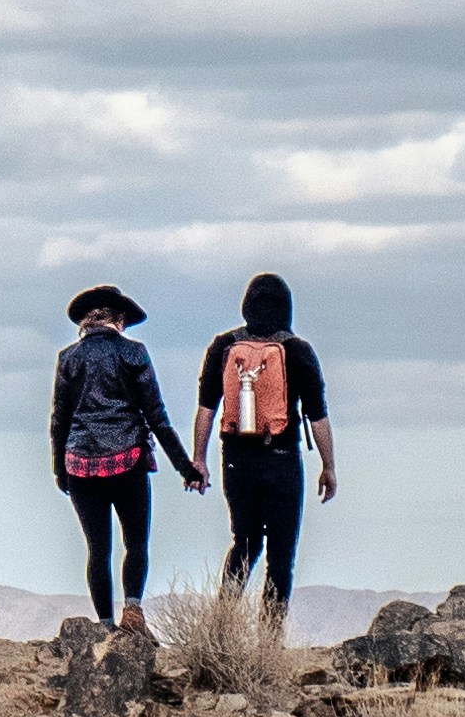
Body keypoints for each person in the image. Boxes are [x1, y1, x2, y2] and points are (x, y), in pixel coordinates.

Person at [50, 285, 198, 625]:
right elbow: (157, 417)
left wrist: (59, 468)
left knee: (98, 550)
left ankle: (103, 625)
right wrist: (185, 467)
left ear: (86, 322)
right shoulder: (134, 353)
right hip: (128, 461)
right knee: (136, 543)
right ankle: (132, 607)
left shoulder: (68, 358)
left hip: (80, 465)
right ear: (118, 320)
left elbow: (60, 420)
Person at [190, 268, 336, 613]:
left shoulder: (224, 347)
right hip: (282, 460)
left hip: (236, 460)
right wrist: (329, 467)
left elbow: (206, 410)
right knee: (281, 555)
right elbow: (318, 416)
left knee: (244, 543)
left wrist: (199, 460)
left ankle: (222, 625)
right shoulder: (298, 350)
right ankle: (269, 640)